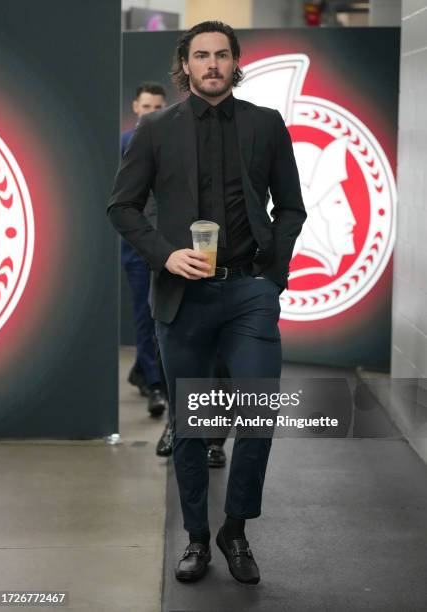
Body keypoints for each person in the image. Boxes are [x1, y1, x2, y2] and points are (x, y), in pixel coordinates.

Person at [108, 21, 306, 585]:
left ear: (235, 61)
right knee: (192, 424)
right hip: (183, 296)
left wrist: (274, 273)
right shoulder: (154, 129)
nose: (212, 64)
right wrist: (165, 256)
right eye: (202, 56)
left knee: (258, 416)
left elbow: (291, 208)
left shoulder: (266, 125)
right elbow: (122, 208)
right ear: (186, 64)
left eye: (222, 55)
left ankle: (235, 528)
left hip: (250, 292)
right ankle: (196, 537)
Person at [121, 82, 169, 417]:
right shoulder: (125, 143)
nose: (152, 112)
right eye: (146, 106)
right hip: (138, 244)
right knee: (146, 314)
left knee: (164, 315)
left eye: (157, 107)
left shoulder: (175, 140)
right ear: (136, 107)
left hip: (169, 243)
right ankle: (154, 384)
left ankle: (144, 370)